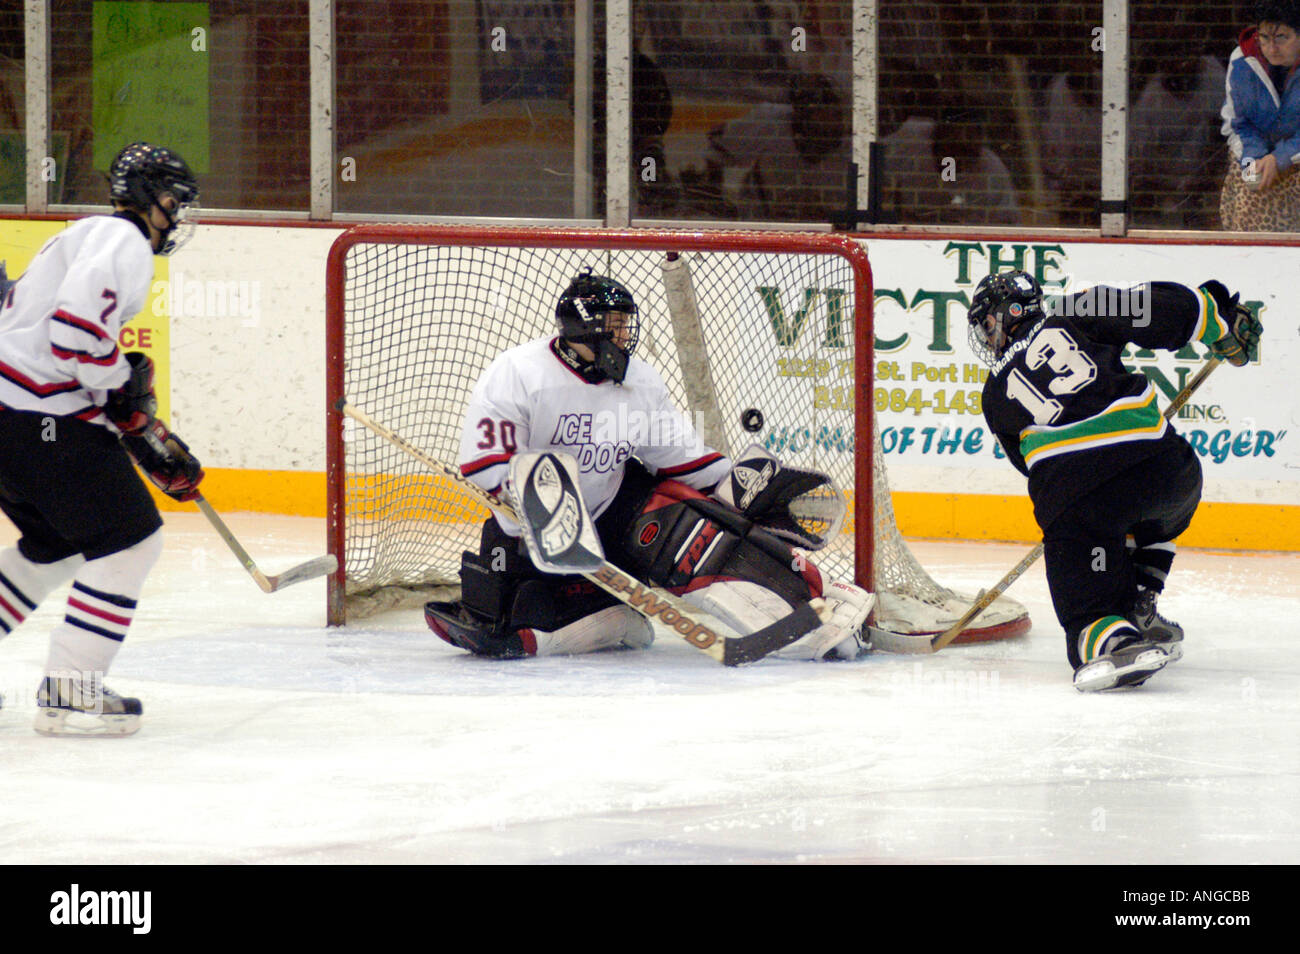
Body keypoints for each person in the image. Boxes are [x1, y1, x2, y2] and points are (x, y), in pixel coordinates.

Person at [425, 269, 872, 661]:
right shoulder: (519, 372)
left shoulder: (639, 380)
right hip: (533, 533)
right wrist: (534, 514)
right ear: (584, 327)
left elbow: (680, 457)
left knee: (702, 526)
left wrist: (735, 486)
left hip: (615, 510)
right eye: (615, 326)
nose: (624, 336)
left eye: (625, 326)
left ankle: (822, 612)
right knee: (519, 628)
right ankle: (615, 619)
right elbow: (486, 465)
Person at [966, 270, 1262, 691]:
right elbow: (1152, 306)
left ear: (1010, 313)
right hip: (1169, 473)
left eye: (987, 323)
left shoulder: (993, 394)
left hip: (1083, 500)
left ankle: (1114, 637)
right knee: (1150, 511)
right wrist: (1215, 317)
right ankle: (1141, 595)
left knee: (1087, 600)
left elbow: (1031, 469)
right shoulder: (1076, 311)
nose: (986, 335)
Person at [0, 141, 202, 735]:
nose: (178, 215)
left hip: (9, 417)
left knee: (53, 546)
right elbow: (74, 336)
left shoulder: (84, 232)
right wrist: (123, 390)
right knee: (131, 543)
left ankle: (70, 682)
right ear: (153, 200)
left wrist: (129, 414)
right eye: (175, 202)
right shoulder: (125, 242)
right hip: (40, 421)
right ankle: (71, 686)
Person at [1220, 0, 1300, 230]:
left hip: (1294, 157)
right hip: (1253, 155)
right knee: (1249, 182)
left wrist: (1280, 158)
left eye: (1282, 37)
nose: (1271, 48)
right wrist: (1252, 159)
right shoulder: (1242, 61)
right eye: (1264, 38)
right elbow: (1237, 123)